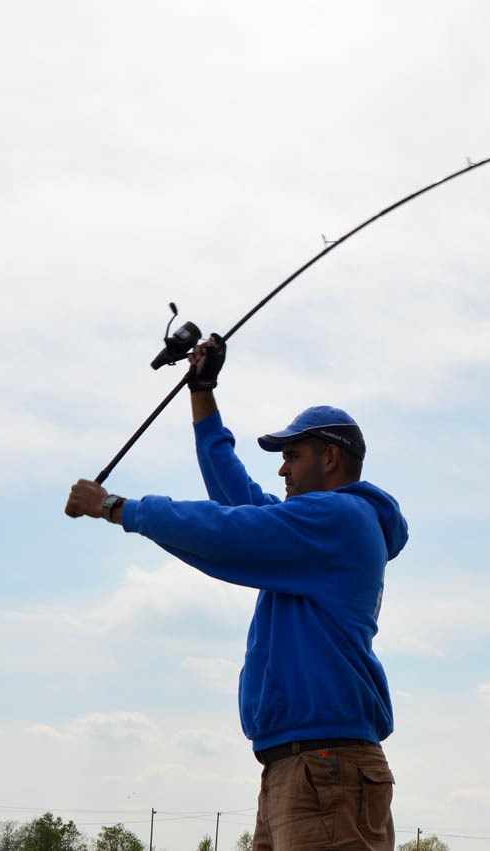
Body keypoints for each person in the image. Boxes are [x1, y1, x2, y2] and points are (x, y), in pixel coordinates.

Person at [65, 335, 408, 851]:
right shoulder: (316, 531)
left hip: (326, 767)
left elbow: (225, 530)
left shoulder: (338, 517)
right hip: (303, 766)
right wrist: (202, 392)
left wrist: (116, 506)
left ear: (330, 458)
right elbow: (238, 501)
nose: (282, 468)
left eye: (292, 455)